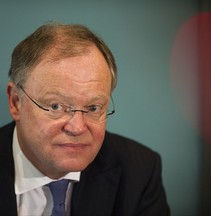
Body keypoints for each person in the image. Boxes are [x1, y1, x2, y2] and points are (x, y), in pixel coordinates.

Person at [0, 22, 170, 215]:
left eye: (93, 107)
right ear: (15, 102)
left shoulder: (139, 170)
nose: (77, 127)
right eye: (56, 106)